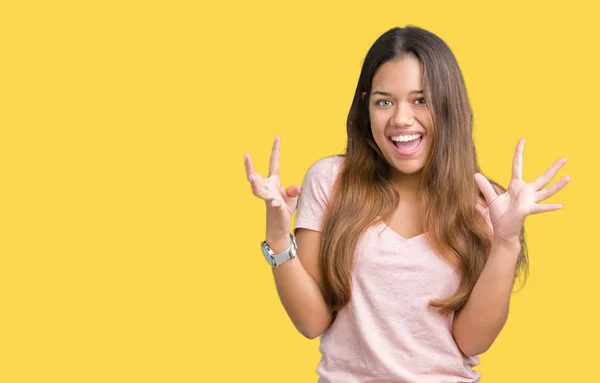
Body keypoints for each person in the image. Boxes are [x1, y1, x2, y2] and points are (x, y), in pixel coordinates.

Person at [243, 25, 570, 383]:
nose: (401, 119)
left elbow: (473, 340)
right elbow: (312, 322)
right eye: (384, 101)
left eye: (421, 100)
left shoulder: (487, 204)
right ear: (366, 106)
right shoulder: (330, 181)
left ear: (448, 106)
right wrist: (277, 236)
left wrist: (507, 241)